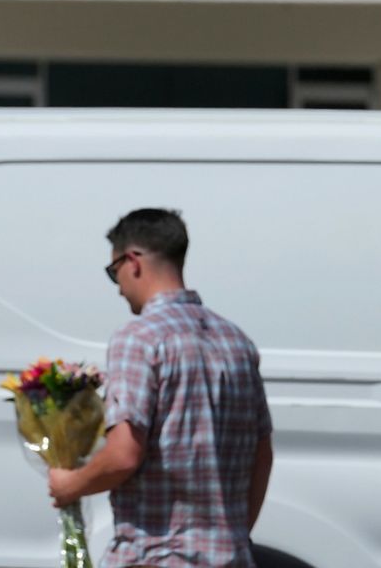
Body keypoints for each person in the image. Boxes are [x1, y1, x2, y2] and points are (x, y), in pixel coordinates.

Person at [48, 208, 273, 568]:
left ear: (133, 261)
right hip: (230, 557)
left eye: (114, 272)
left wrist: (70, 485)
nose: (118, 288)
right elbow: (262, 455)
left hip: (157, 556)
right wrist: (232, 536)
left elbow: (124, 455)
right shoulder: (237, 341)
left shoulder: (139, 338)